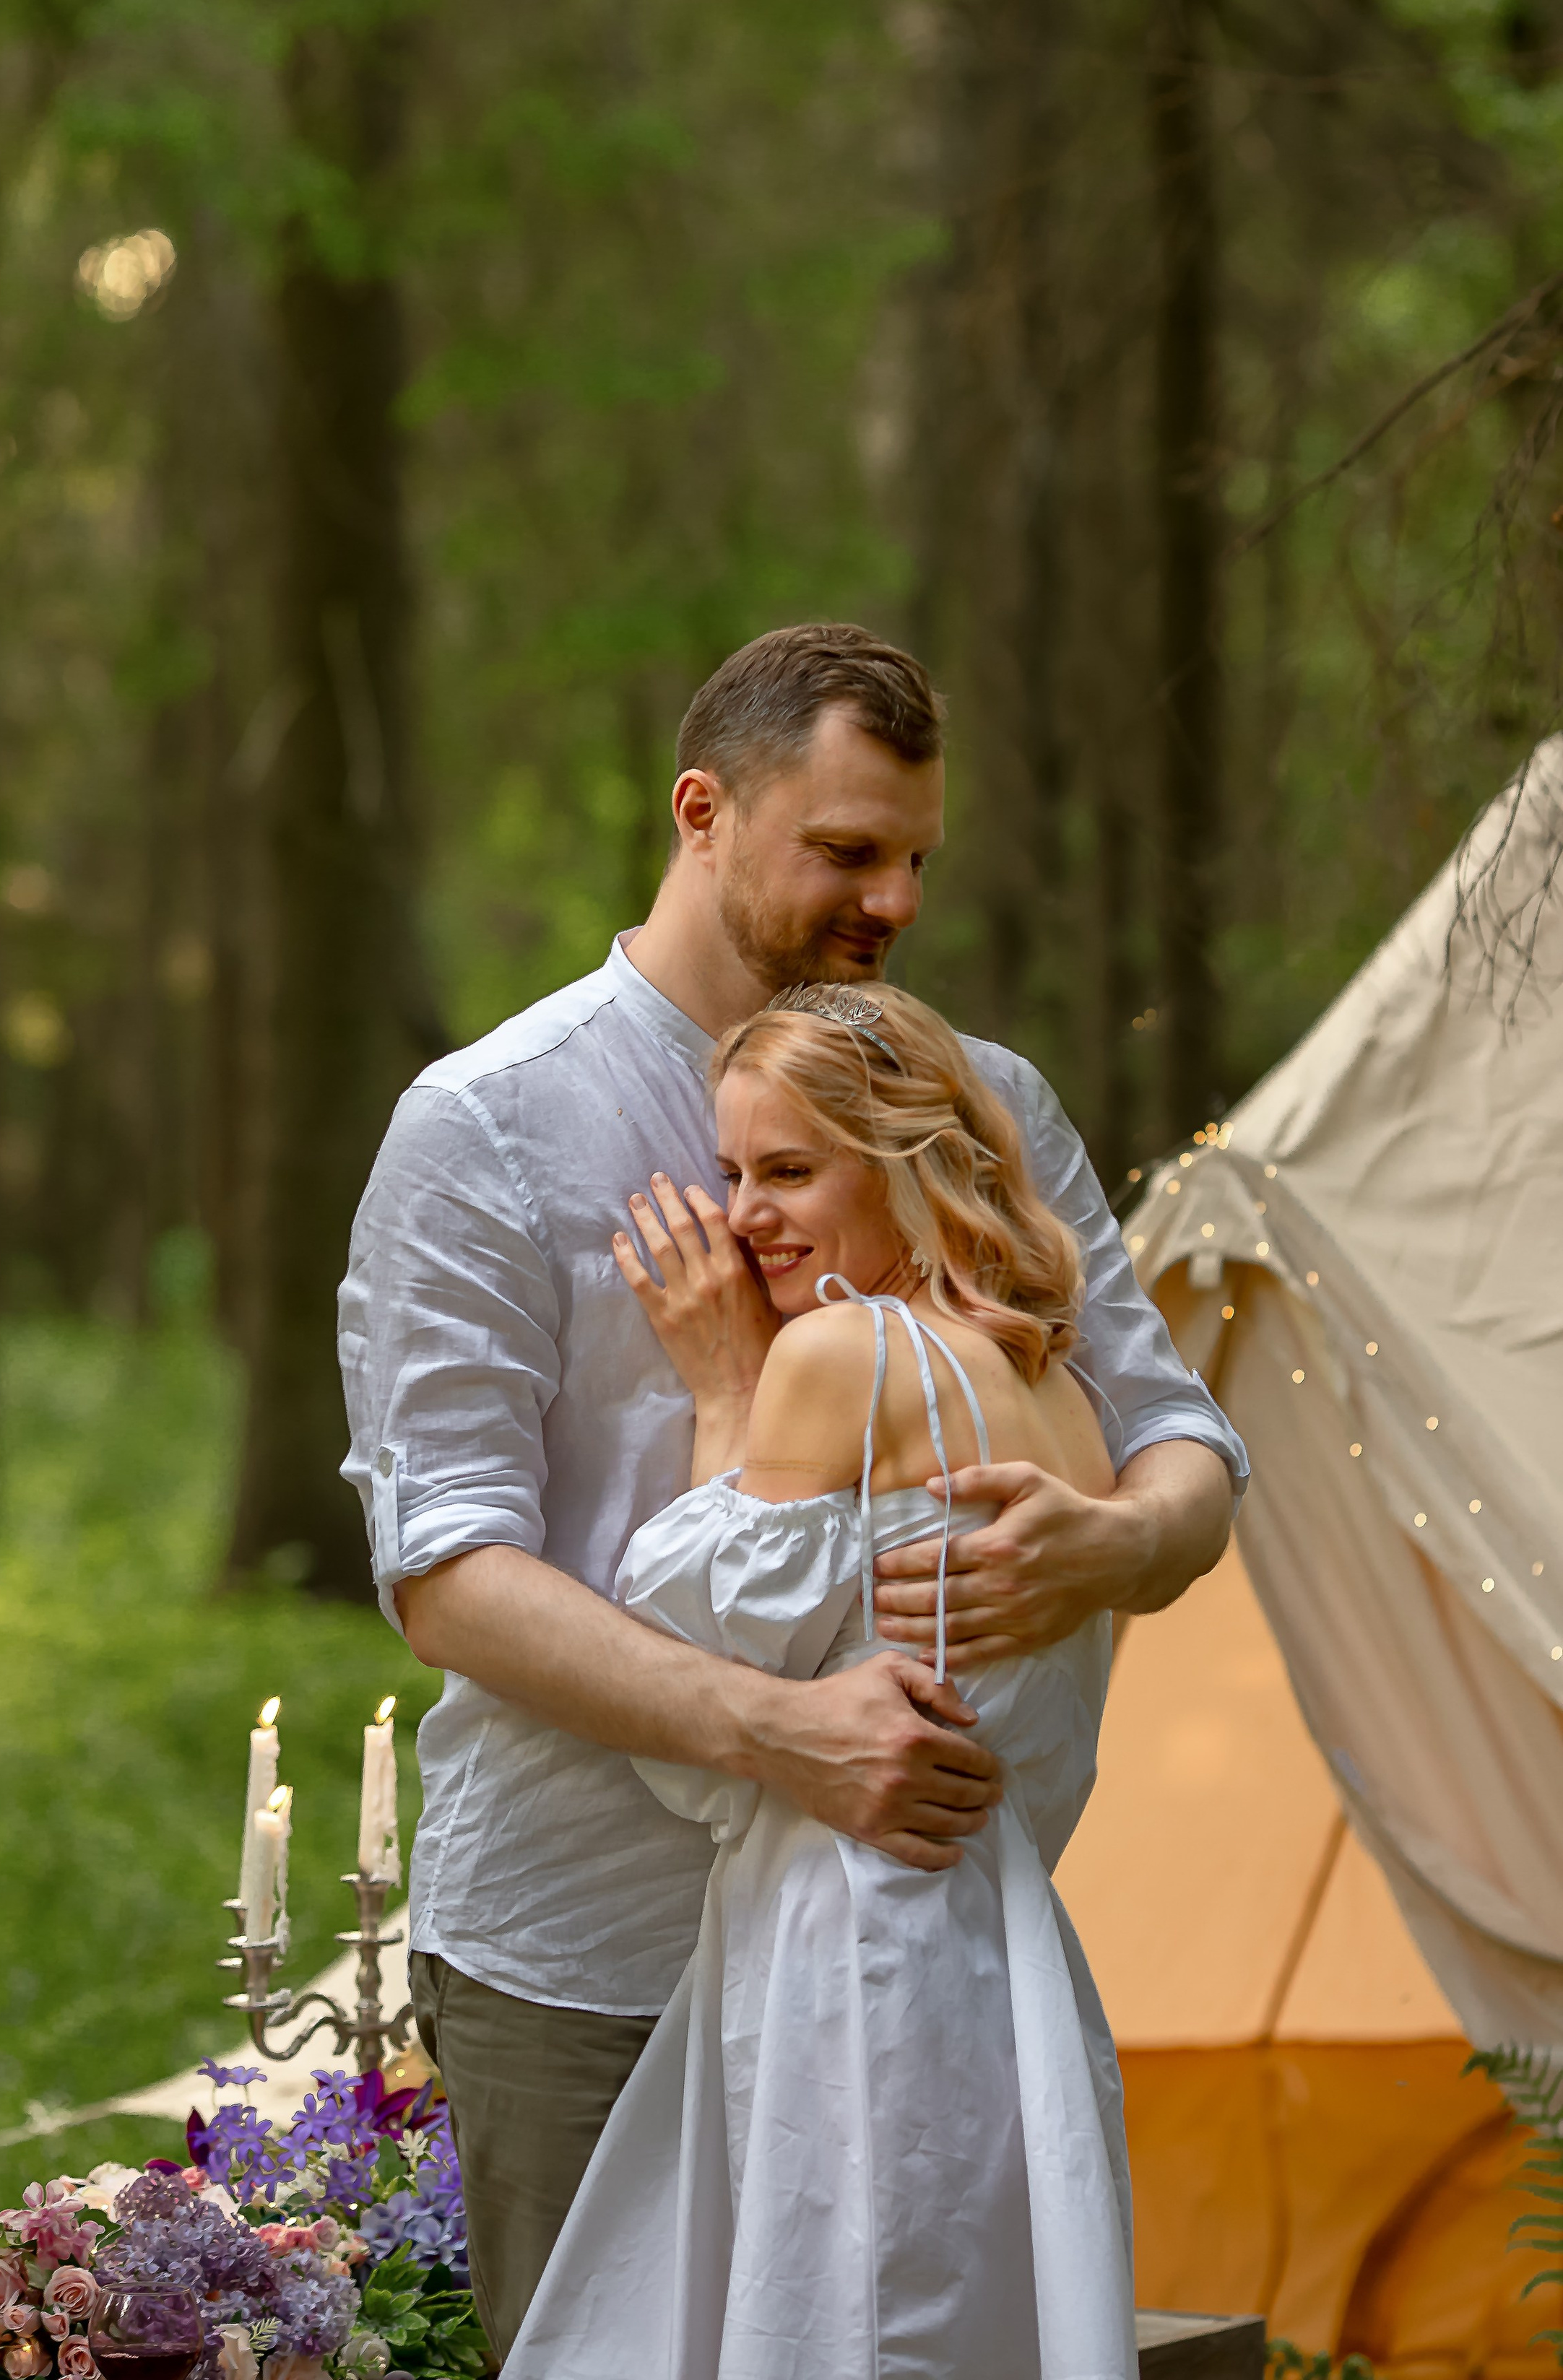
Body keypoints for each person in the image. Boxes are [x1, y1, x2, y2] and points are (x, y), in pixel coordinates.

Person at [339, 622, 1244, 2361]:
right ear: (702, 811)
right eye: (845, 849)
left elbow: (1184, 1443)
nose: (892, 895)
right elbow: (446, 1567)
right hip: (594, 1952)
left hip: (915, 1958)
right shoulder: (484, 1126)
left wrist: (1115, 1544)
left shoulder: (982, 1107)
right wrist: (778, 1729)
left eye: (913, 856)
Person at [503, 983, 1137, 2380]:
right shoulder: (1070, 1400)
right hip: (1010, 1954)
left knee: (832, 2321)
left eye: (791, 1171)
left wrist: (729, 1395)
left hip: (847, 1954)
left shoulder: (843, 1355)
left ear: (915, 1161)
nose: (744, 1218)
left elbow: (689, 1707)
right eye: (734, 1173)